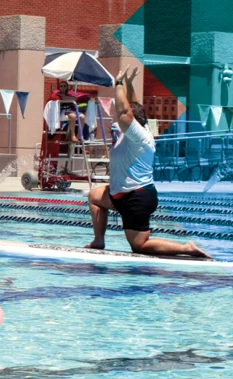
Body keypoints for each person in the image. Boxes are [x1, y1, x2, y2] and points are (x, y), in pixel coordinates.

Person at [84, 66, 210, 258]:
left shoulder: (138, 136)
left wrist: (118, 84)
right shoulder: (137, 131)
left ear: (133, 122)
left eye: (122, 119)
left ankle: (187, 248)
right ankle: (98, 240)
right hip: (120, 194)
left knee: (139, 246)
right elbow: (134, 105)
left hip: (137, 197)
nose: (117, 121)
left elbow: (126, 112)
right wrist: (128, 83)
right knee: (95, 195)